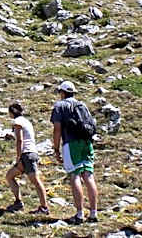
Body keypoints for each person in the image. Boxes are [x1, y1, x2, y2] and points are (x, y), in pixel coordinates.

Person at [51, 81, 99, 225]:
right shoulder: (82, 105)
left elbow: (57, 129)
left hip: (71, 144)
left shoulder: (60, 106)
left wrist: (56, 148)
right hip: (86, 142)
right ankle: (93, 213)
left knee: (75, 175)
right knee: (89, 176)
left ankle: (79, 214)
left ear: (63, 92)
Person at [4, 102, 49, 214]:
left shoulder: (17, 122)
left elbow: (19, 140)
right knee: (10, 176)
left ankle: (44, 207)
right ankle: (18, 202)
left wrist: (18, 158)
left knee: (36, 181)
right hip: (31, 153)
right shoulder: (26, 121)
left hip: (26, 154)